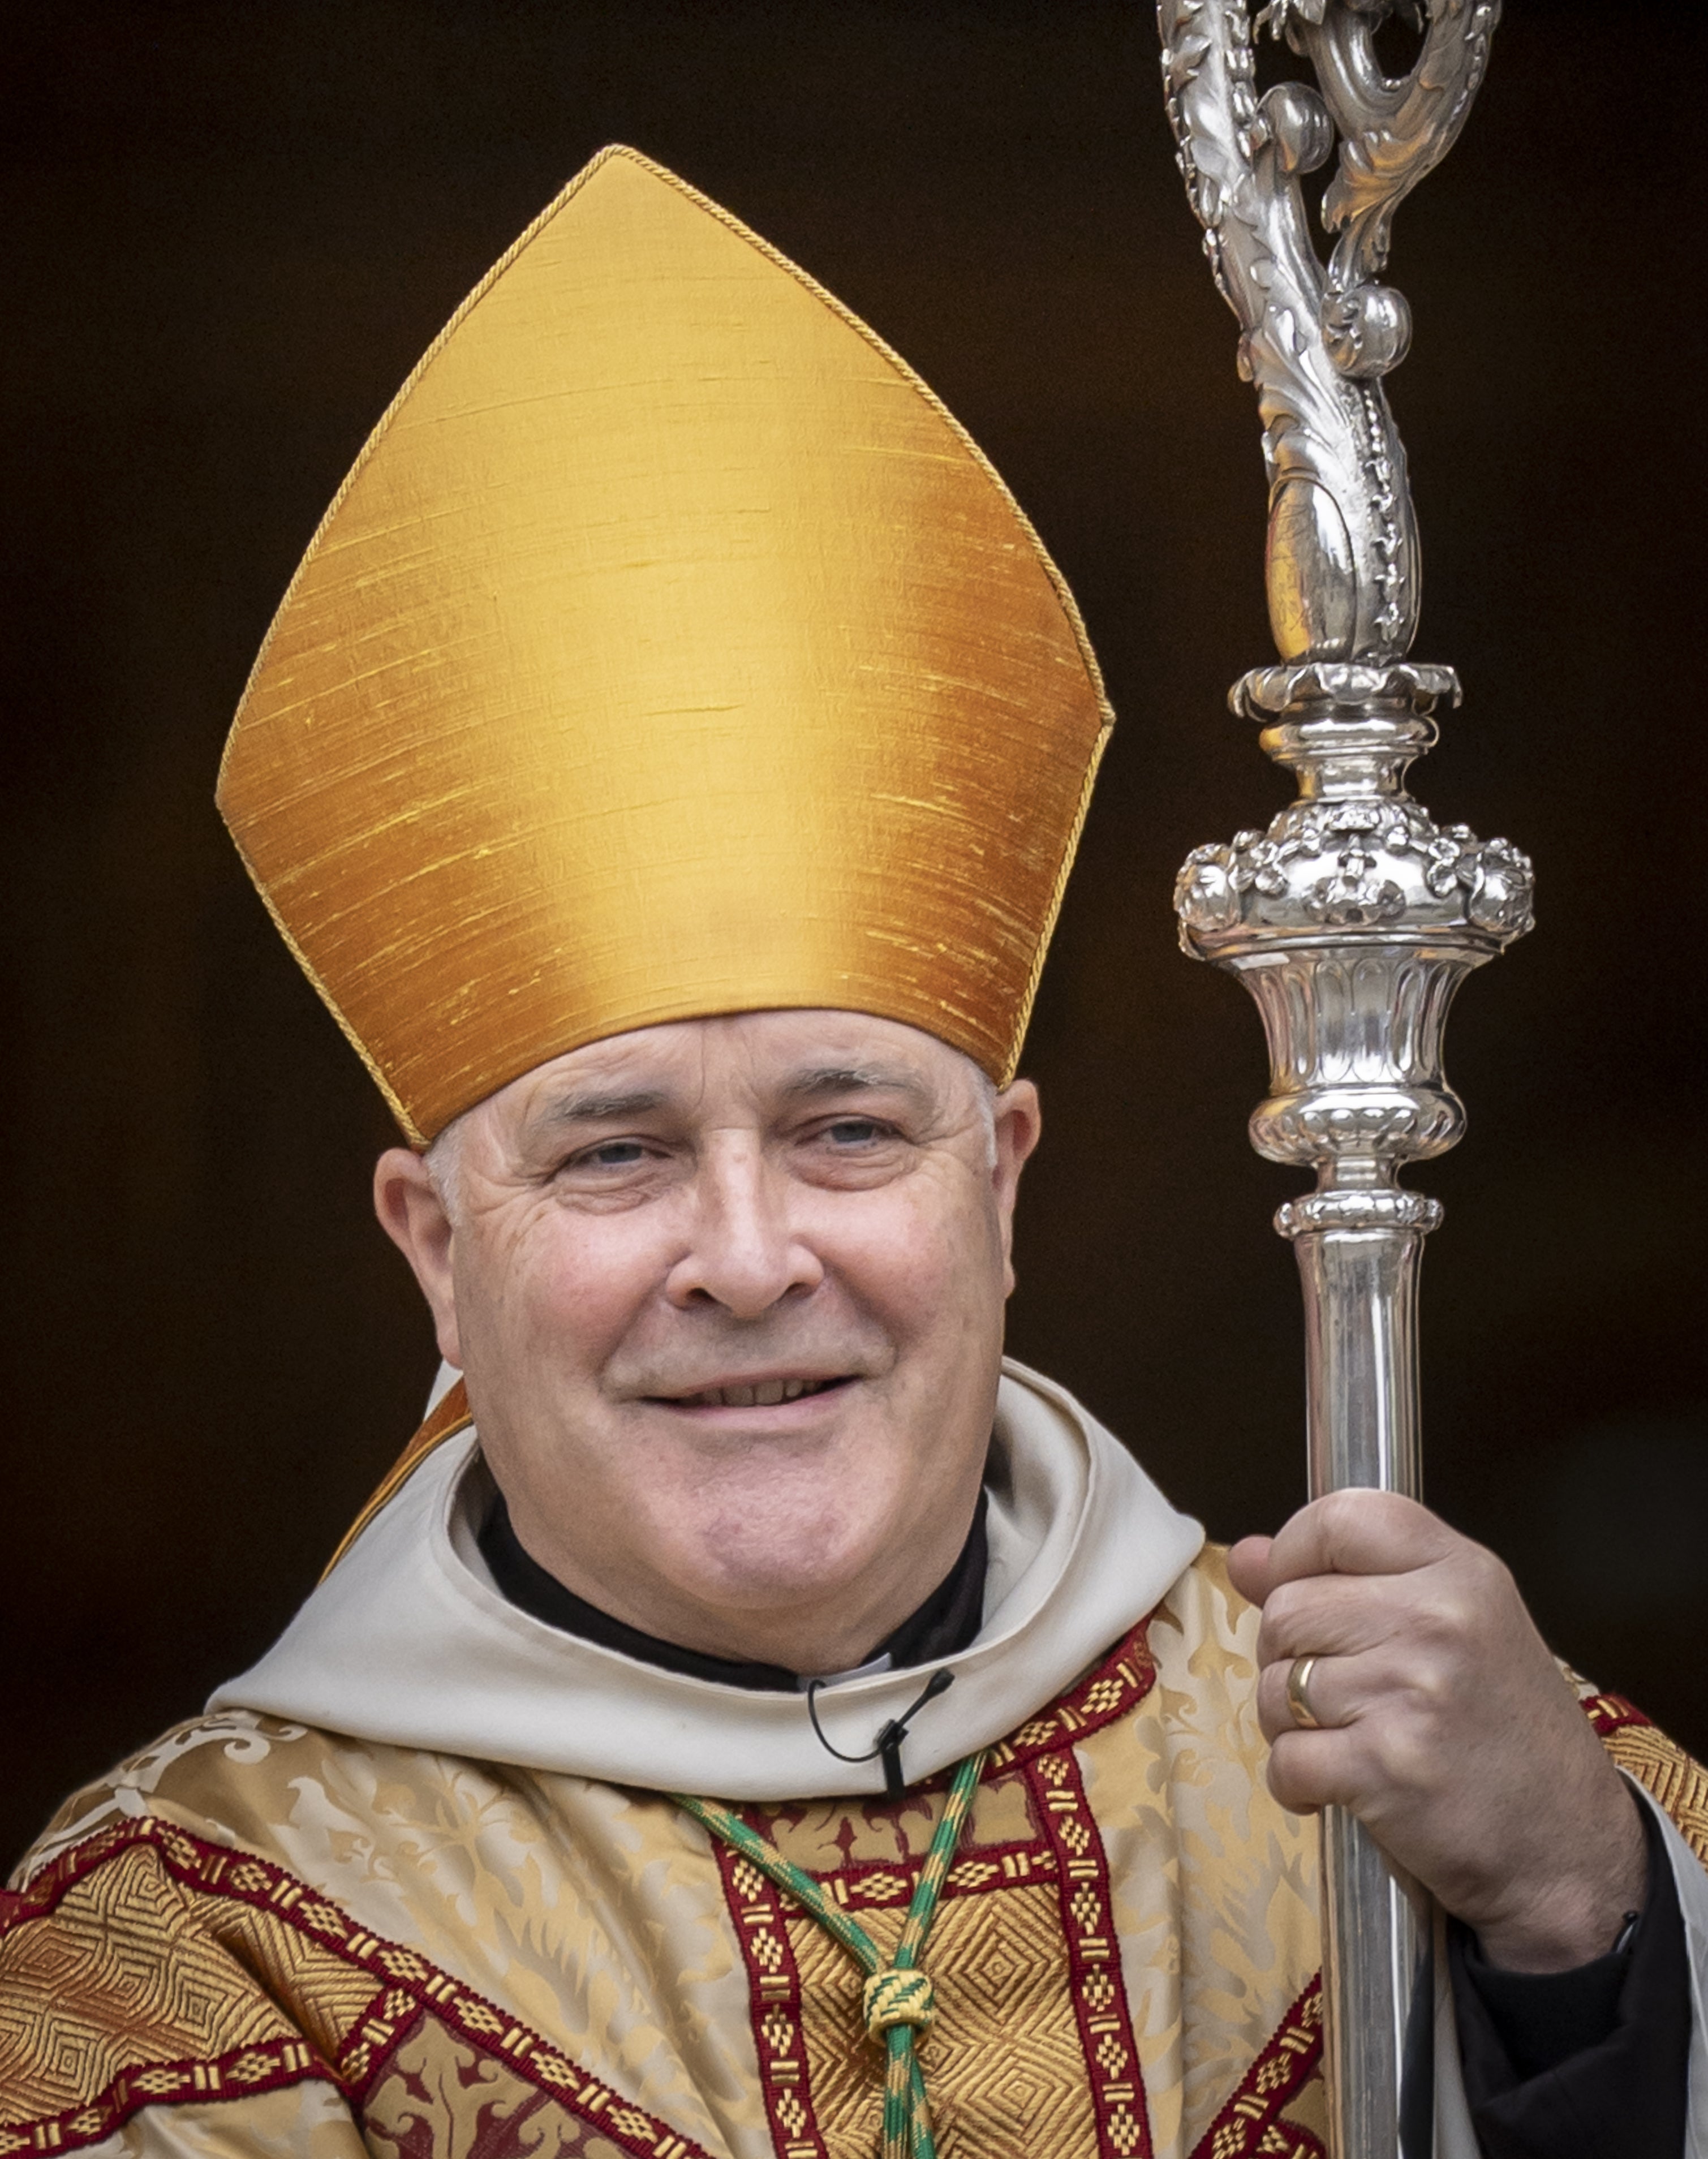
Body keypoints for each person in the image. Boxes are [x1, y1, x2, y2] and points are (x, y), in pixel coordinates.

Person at [2, 147, 1701, 2159]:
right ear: (434, 1249)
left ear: (1002, 1180)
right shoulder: (192, 1956)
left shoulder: (1407, 1770)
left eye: (844, 1131)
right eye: (616, 1155)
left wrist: (1578, 1925)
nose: (744, 1254)